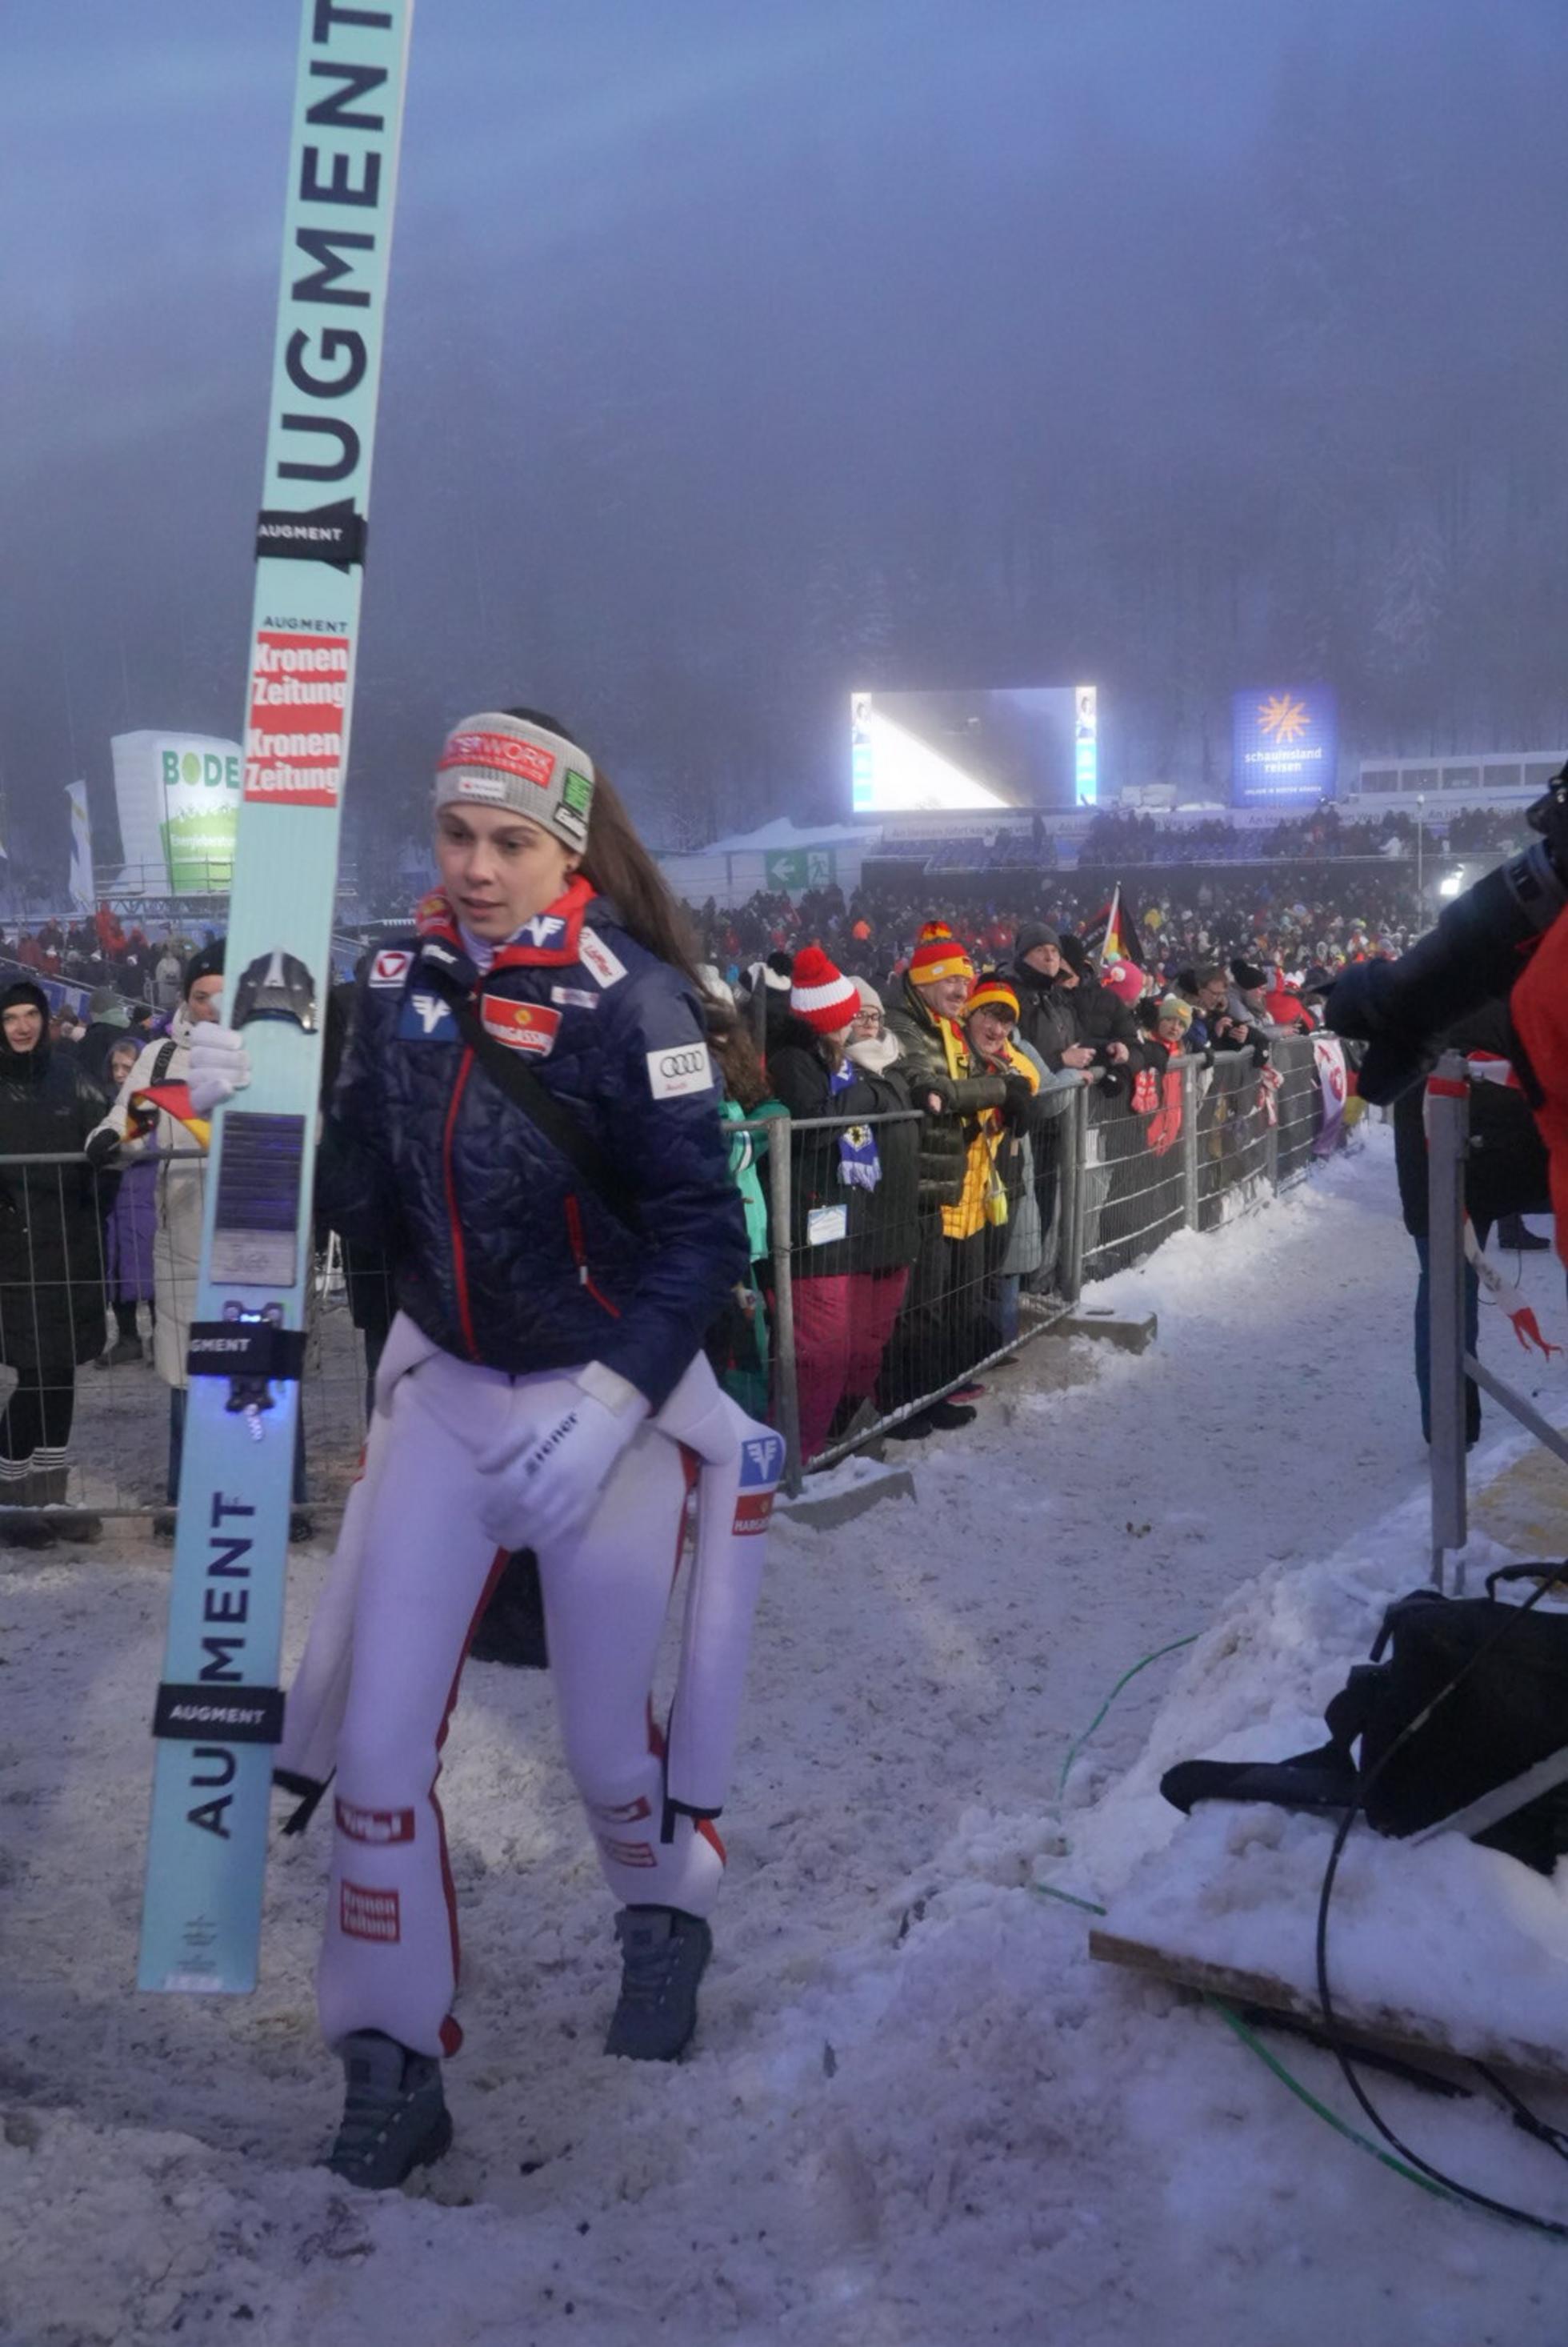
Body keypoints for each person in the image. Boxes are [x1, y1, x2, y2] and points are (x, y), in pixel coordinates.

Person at [194, 707, 778, 2188]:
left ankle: (666, 1908)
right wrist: (246, 1112)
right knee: (379, 1748)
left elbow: (704, 1233)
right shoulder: (397, 980)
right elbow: (359, 1191)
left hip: (602, 1412)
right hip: (448, 1395)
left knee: (601, 1744)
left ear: (567, 848)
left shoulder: (634, 1004)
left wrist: (613, 1404)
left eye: (510, 841)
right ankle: (390, 2060)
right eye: (456, 833)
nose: (474, 866)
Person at [88, 945, 312, 1536]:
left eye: (221, 993)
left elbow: (307, 1124)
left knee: (266, 1368)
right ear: (185, 999)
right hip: (184, 1235)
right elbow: (134, 1120)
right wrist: (110, 1139)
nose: (211, 1005)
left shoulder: (270, 1051)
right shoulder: (161, 1057)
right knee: (189, 1376)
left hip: (258, 1231)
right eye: (200, 995)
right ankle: (185, 1501)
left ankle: (286, 1498)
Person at [766, 947, 919, 1462]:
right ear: (826, 1020)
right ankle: (796, 1458)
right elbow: (813, 1125)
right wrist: (869, 1098)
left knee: (843, 1349)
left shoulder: (840, 1061)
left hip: (845, 1222)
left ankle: (821, 1447)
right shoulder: (793, 1061)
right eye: (848, 1016)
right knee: (818, 1354)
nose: (856, 1024)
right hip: (812, 1221)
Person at [882, 927, 1007, 1430]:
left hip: (940, 1178)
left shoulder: (947, 1026)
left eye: (965, 980)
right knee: (911, 1304)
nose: (962, 990)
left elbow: (972, 1083)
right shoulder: (903, 1023)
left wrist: (995, 1088)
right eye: (952, 980)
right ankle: (900, 1404)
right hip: (912, 1179)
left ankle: (928, 1395)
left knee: (930, 1301)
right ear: (925, 980)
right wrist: (999, 1090)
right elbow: (932, 1085)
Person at [0, 980, 108, 1544]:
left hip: (71, 1246)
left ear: (45, 1019)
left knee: (61, 1373)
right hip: (14, 1252)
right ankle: (9, 1501)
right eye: (10, 1017)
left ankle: (50, 1497)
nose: (21, 1026)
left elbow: (109, 1137)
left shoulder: (70, 1075)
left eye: (30, 1015)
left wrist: (91, 1206)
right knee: (36, 1376)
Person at [94, 1034, 157, 1366]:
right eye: (116, 1067)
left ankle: (161, 1338)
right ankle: (128, 1338)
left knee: (153, 1270)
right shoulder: (104, 1103)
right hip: (115, 1201)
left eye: (127, 1068)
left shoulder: (154, 1106)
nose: (120, 1074)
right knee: (118, 1269)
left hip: (145, 1197)